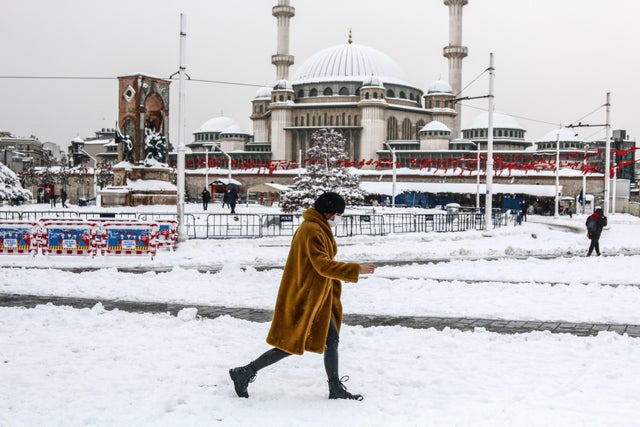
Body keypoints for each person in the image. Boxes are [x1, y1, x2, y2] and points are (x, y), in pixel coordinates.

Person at [229, 192, 376, 401]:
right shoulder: (312, 230)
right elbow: (322, 265)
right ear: (328, 212)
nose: (339, 218)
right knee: (292, 343)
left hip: (318, 297)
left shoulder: (317, 227)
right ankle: (245, 372)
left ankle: (334, 388)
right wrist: (355, 269)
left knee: (331, 340)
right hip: (307, 297)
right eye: (337, 214)